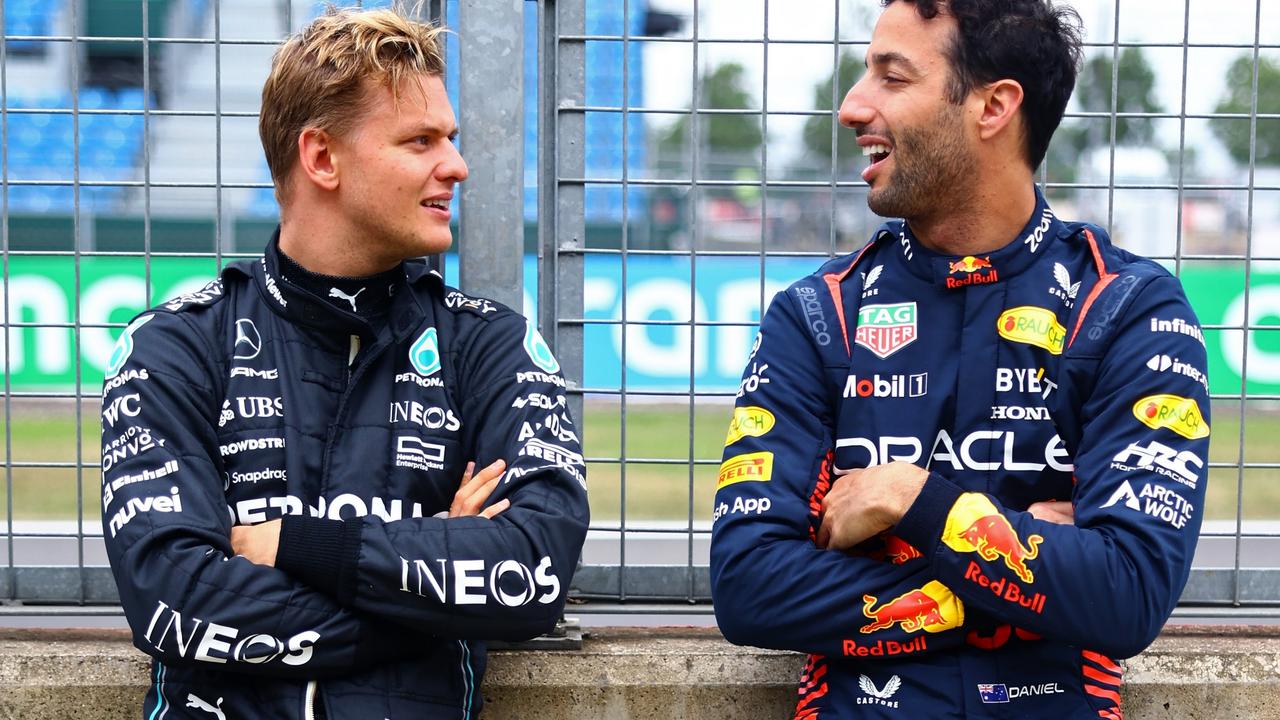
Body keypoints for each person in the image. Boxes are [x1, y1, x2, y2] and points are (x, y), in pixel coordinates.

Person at [710, 1, 1209, 717]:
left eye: (892, 77)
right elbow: (749, 589)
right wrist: (1024, 575)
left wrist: (910, 501)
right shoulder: (818, 316)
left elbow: (1126, 596)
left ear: (993, 107)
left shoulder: (1127, 309)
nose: (853, 107)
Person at [100, 8, 589, 718]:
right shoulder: (175, 346)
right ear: (322, 158)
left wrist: (295, 544)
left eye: (450, 138)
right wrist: (432, 593)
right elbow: (173, 600)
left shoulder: (491, 348)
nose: (456, 164)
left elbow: (532, 574)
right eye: (420, 141)